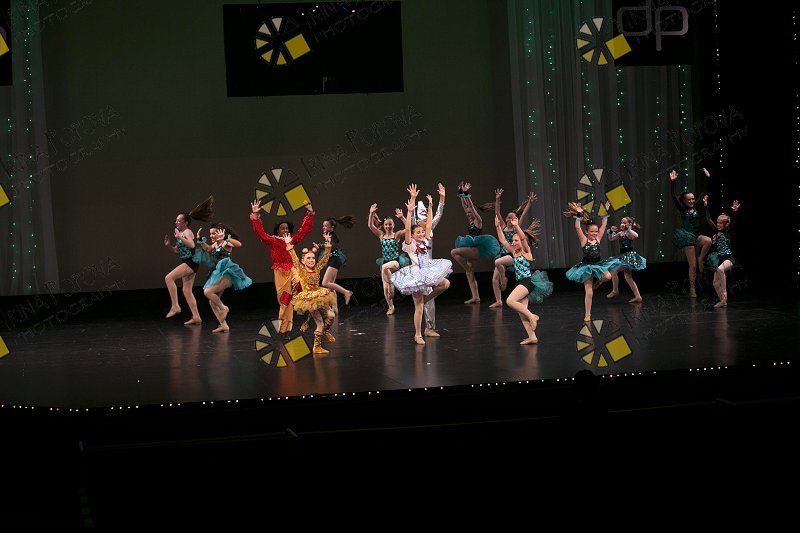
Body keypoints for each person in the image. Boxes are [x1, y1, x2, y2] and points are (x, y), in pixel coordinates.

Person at [391, 186, 452, 345]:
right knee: (418, 307)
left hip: (429, 271)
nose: (421, 233)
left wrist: (432, 205)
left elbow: (430, 225)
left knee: (445, 283)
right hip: (416, 275)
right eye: (418, 232)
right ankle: (418, 334)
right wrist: (410, 209)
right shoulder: (410, 243)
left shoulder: (425, 240)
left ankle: (427, 313)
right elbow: (407, 228)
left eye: (422, 232)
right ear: (412, 234)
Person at [250, 200, 314, 333]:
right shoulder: (272, 240)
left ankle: (306, 306)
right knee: (285, 300)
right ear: (278, 231)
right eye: (283, 228)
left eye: (287, 228)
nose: (285, 230)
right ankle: (284, 328)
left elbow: (304, 231)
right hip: (280, 271)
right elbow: (260, 233)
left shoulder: (291, 240)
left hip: (292, 268)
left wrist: (309, 213)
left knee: (301, 283)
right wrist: (255, 215)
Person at [495, 217, 552, 344]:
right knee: (521, 311)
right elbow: (503, 240)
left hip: (528, 282)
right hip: (521, 283)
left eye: (516, 240)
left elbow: (523, 238)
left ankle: (532, 316)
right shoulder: (514, 252)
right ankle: (532, 337)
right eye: (513, 240)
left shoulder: (526, 251)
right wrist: (498, 227)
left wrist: (516, 226)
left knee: (510, 301)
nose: (513, 242)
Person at [564, 201, 620, 322]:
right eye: (592, 231)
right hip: (587, 266)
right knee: (589, 292)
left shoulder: (598, 239)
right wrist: (579, 214)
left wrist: (605, 211)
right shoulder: (584, 240)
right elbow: (577, 227)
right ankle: (587, 314)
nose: (595, 233)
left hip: (598, 265)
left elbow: (604, 225)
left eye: (596, 231)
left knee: (608, 277)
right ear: (587, 232)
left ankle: (599, 282)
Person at [163, 195, 214, 325]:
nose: (176, 222)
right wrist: (169, 246)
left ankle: (175, 306)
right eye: (176, 220)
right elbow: (177, 250)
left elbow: (191, 245)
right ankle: (196, 317)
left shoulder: (187, 232)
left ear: (185, 223)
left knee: (169, 278)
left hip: (190, 262)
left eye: (179, 220)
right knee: (186, 290)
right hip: (189, 262)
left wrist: (179, 237)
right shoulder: (181, 234)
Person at [450, 182, 502, 304]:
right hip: (471, 248)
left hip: (477, 249)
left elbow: (470, 206)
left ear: (474, 213)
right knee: (470, 274)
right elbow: (465, 206)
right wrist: (461, 192)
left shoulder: (478, 220)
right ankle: (476, 297)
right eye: (467, 213)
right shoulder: (470, 220)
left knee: (454, 252)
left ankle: (467, 268)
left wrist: (467, 193)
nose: (468, 214)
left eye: (470, 213)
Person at [194, 223, 252, 333]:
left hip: (226, 273)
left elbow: (238, 244)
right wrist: (200, 240)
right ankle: (223, 325)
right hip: (217, 274)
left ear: (220, 233)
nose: (211, 236)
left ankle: (224, 308)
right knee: (212, 302)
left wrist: (225, 237)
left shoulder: (226, 242)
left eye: (213, 233)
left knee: (207, 292)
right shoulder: (216, 244)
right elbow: (208, 249)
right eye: (210, 234)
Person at [285, 233, 337, 354]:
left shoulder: (317, 268)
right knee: (320, 323)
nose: (311, 260)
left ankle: (326, 331)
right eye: (308, 258)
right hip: (309, 299)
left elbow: (325, 258)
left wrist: (328, 244)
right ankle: (316, 346)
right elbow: (294, 258)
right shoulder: (301, 269)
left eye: (313, 258)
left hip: (320, 295)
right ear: (303, 260)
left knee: (331, 315)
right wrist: (289, 244)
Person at [488, 188, 535, 308]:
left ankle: (504, 279)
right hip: (503, 253)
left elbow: (523, 215)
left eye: (513, 218)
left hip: (512, 254)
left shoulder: (515, 228)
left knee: (498, 262)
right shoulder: (503, 226)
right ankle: (499, 300)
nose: (510, 219)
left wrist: (529, 203)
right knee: (494, 279)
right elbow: (497, 213)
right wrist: (497, 199)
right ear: (505, 219)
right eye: (509, 217)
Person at [409, 182, 445, 337]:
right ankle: (418, 333)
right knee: (419, 304)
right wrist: (412, 199)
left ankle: (429, 328)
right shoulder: (414, 233)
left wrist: (442, 198)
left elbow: (437, 216)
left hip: (428, 269)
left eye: (426, 221)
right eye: (423, 221)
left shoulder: (428, 232)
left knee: (430, 298)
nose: (426, 224)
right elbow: (410, 220)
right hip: (417, 271)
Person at [669, 168, 712, 297]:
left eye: (693, 199)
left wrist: (707, 178)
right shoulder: (682, 209)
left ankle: (700, 258)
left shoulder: (696, 206)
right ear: (684, 201)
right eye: (689, 200)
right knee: (692, 265)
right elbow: (673, 196)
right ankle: (692, 288)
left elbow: (703, 192)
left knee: (708, 241)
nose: (692, 201)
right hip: (688, 238)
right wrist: (673, 182)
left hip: (696, 236)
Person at [367, 203, 409, 315]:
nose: (388, 226)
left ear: (393, 225)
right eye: (386, 224)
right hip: (385, 261)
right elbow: (370, 226)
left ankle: (393, 283)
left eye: (390, 224)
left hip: (395, 262)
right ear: (384, 226)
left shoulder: (396, 235)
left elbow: (408, 229)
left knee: (385, 267)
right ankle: (391, 306)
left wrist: (402, 217)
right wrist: (371, 213)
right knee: (386, 288)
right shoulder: (381, 235)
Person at [702, 195, 740, 308]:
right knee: (715, 283)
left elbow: (734, 223)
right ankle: (723, 301)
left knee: (720, 269)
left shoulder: (728, 232)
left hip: (729, 258)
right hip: (720, 260)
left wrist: (735, 212)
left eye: (721, 223)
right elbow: (708, 219)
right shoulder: (715, 231)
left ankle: (724, 293)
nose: (718, 225)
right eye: (718, 222)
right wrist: (705, 206)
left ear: (726, 225)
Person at [315, 215, 355, 312]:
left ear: (332, 228)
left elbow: (332, 247)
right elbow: (329, 246)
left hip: (334, 261)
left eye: (326, 226)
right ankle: (335, 308)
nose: (324, 227)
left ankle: (346, 292)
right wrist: (321, 245)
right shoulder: (328, 235)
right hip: (332, 260)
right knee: (330, 285)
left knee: (325, 283)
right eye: (323, 226)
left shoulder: (332, 235)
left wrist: (321, 246)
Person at [606, 216, 646, 303]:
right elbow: (611, 238)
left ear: (629, 224)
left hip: (629, 256)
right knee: (628, 277)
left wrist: (628, 229)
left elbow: (636, 235)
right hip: (623, 256)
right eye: (621, 222)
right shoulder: (620, 233)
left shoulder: (628, 233)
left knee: (614, 270)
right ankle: (638, 296)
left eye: (624, 223)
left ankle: (615, 290)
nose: (622, 224)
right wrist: (611, 231)